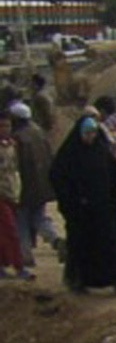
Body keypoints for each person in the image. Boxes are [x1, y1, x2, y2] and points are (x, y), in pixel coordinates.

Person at [50, 114, 116, 295]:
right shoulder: (69, 155)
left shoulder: (101, 151)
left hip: (105, 209)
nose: (91, 137)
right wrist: (74, 200)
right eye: (87, 134)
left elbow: (115, 172)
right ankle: (78, 281)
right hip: (81, 213)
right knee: (82, 247)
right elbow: (57, 178)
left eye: (93, 133)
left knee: (113, 245)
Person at [9, 102, 59, 276]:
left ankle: (25, 255)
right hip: (42, 186)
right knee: (40, 217)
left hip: (25, 187)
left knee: (21, 221)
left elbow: (15, 166)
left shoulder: (17, 138)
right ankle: (55, 238)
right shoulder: (39, 133)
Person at [0, 116, 26, 277]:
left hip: (11, 192)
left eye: (7, 125)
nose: (5, 129)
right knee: (11, 231)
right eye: (2, 126)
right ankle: (19, 266)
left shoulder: (12, 146)